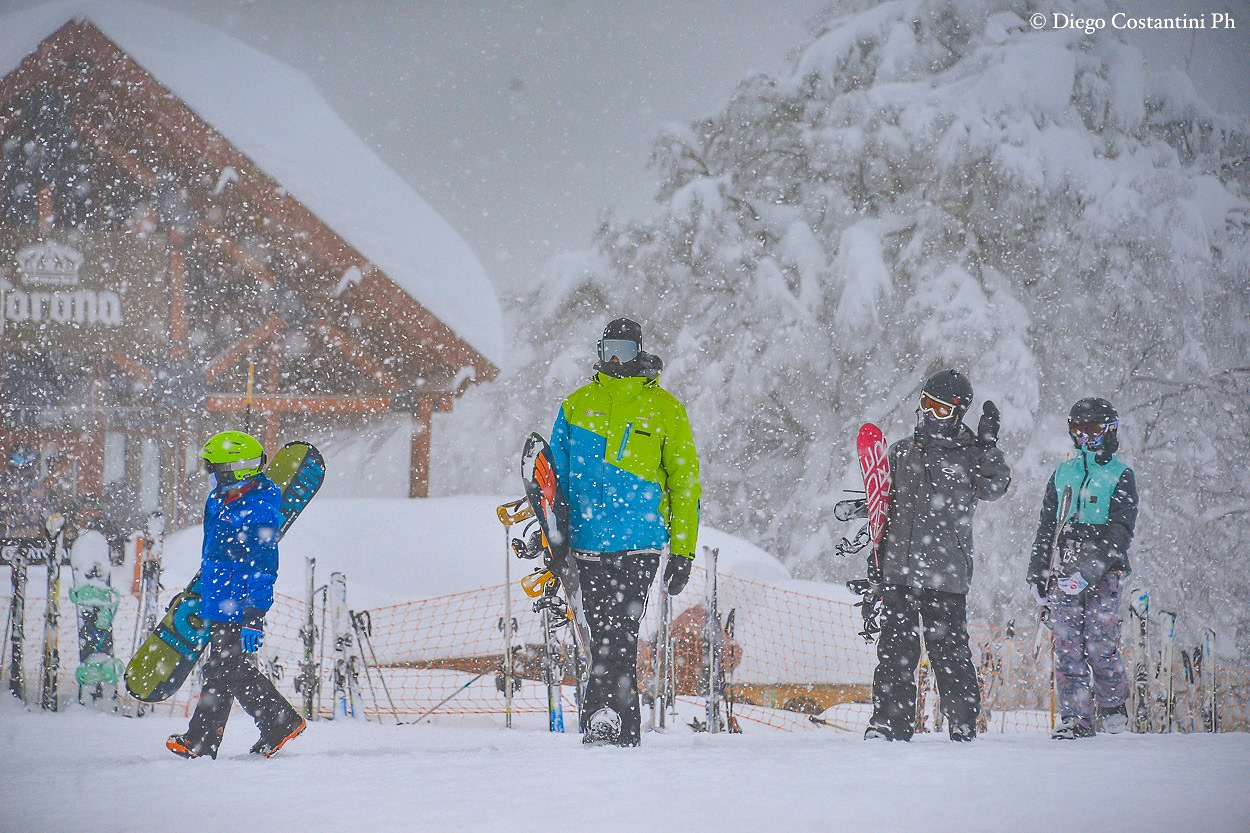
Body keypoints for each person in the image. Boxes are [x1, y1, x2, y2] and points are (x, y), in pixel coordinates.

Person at [549, 317, 700, 746]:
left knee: (619, 631)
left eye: (626, 351)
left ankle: (602, 715)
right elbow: (553, 479)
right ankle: (622, 727)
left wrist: (684, 552)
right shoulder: (576, 406)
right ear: (599, 351)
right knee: (603, 631)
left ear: (639, 353)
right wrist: (553, 538)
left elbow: (684, 484)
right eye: (610, 349)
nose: (617, 359)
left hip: (640, 544)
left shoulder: (666, 409)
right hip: (587, 543)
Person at [864, 369, 1011, 742]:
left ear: (958, 414)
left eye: (941, 410)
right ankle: (887, 725)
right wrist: (876, 558)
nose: (931, 415)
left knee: (949, 653)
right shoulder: (901, 452)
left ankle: (962, 724)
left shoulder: (970, 456)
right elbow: (884, 507)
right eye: (926, 405)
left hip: (945, 575)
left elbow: (995, 487)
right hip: (898, 571)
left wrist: (988, 447)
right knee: (895, 652)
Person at [166, 430, 305, 760]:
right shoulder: (219, 500)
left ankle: (212, 738)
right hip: (219, 601)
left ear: (236, 470)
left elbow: (263, 568)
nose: (211, 475)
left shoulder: (258, 510)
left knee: (225, 670)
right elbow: (213, 559)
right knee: (225, 671)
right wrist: (198, 597)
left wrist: (253, 617)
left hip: (238, 606)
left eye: (217, 468)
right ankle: (273, 723)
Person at [1027, 397, 1137, 739]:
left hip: (1103, 572)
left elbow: (1121, 531)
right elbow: (1047, 526)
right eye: (1078, 431)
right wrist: (1038, 572)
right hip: (1064, 569)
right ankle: (1076, 717)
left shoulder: (1120, 475)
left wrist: (1090, 569)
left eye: (1092, 431)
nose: (1084, 438)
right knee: (1067, 645)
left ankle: (1113, 703)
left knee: (1099, 642)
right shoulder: (1063, 473)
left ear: (1109, 432)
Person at [0, 443, 46, 541]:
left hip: (30, 541)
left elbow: (39, 514)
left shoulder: (37, 486)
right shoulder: (3, 482)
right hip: (6, 540)